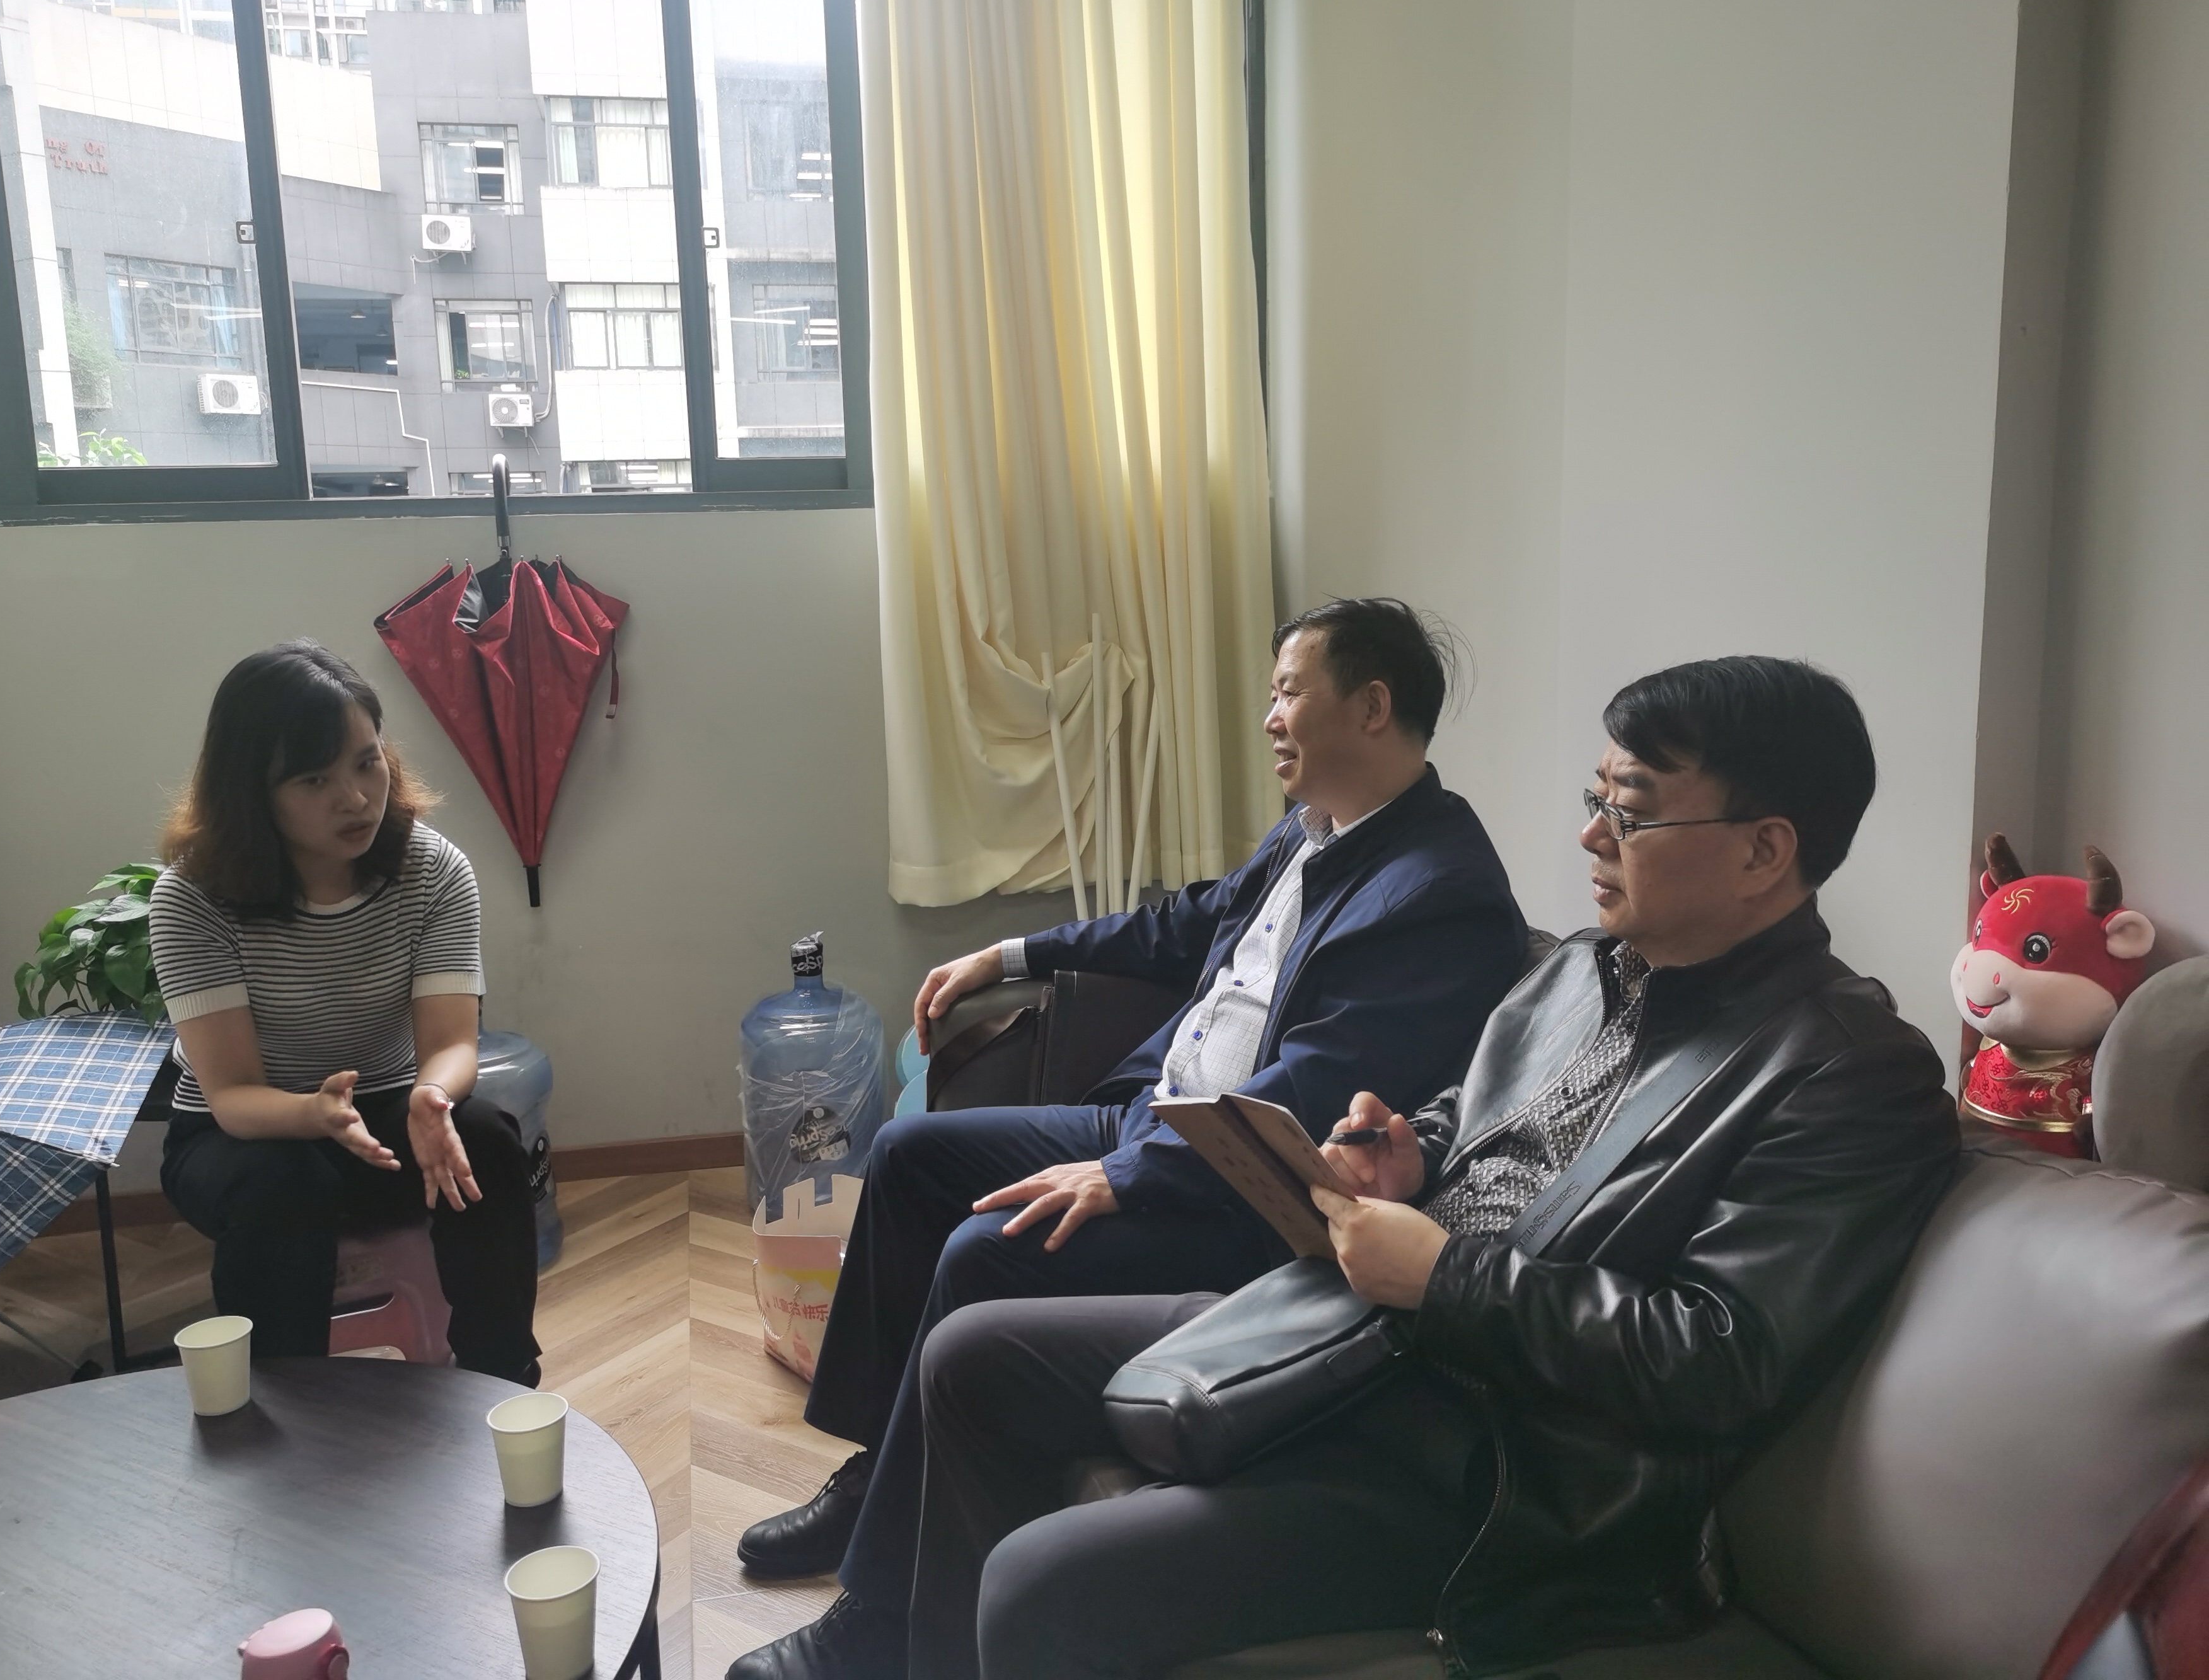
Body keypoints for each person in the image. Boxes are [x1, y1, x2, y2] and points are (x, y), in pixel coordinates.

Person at [904, 655, 1962, 1679]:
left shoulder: (1845, 1071)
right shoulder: (1582, 971)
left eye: (1631, 813)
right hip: (1368, 1342)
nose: (1591, 835)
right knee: (972, 1356)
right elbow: (1471, 1117)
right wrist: (1407, 1156)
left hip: (1502, 1470)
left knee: (1042, 1582)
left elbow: (1719, 1357)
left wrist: (1443, 1278)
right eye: (1594, 799)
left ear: (1763, 851)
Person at [729, 599, 1530, 1680]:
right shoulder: (1313, 831)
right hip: (1156, 1118)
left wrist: (1127, 1174)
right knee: (915, 1159)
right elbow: (1186, 923)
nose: (1269, 717)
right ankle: (879, 1480)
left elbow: (1314, 1087)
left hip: (1236, 1194)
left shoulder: (1438, 892)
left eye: (1289, 692)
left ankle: (884, 1623)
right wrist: (1012, 954)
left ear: (1372, 706)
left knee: (987, 1249)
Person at [152, 640, 541, 1386]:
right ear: (251, 791)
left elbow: (453, 1042)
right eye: (314, 780)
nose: (357, 799)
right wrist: (314, 1113)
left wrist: (432, 1096)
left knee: (486, 1141)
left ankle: (502, 1383)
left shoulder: (432, 869)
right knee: (285, 1185)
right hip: (240, 1137)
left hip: (385, 1109)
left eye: (367, 763)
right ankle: (286, 1404)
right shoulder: (193, 899)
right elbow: (232, 1096)